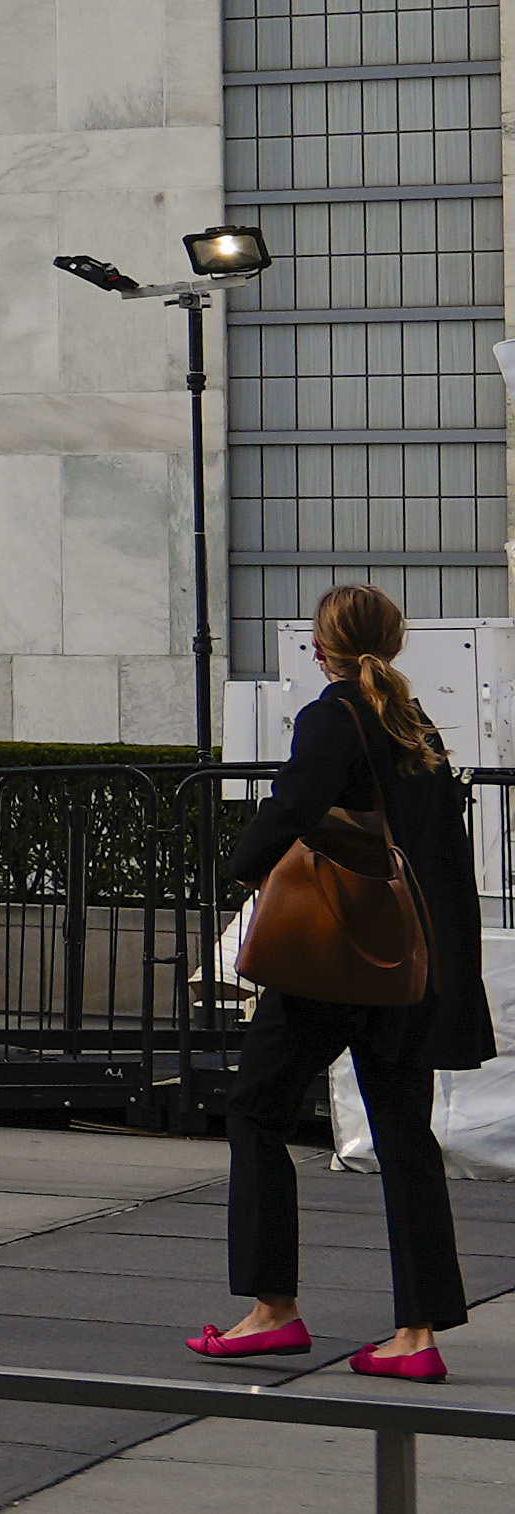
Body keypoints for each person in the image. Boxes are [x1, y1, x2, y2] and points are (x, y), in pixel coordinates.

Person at [198, 584, 489, 1383]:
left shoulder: (335, 715)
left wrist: (233, 871)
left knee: (257, 1108)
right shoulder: (412, 722)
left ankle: (272, 1311)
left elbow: (292, 808)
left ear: (319, 647)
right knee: (404, 1138)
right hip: (409, 963)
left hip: (336, 956)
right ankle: (417, 1333)